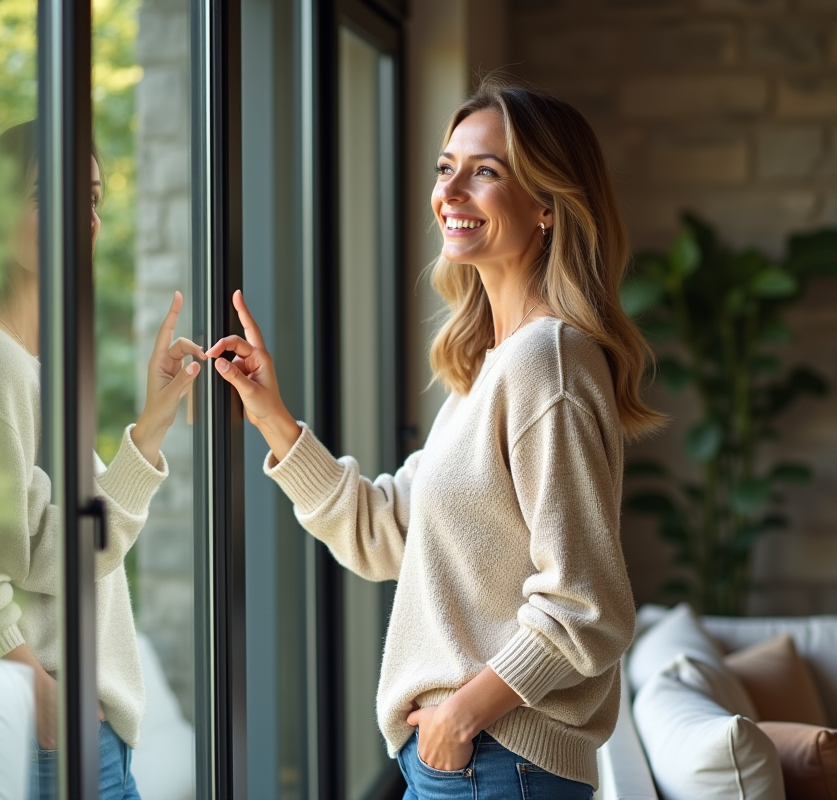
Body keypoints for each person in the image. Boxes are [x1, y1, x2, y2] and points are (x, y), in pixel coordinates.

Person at [203, 79, 664, 799]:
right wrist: (271, 415)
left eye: (486, 171)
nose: (450, 191)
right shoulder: (491, 367)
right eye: (446, 167)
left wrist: (461, 716)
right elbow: (385, 534)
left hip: (499, 759)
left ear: (547, 204)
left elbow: (587, 605)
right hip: (469, 760)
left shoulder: (548, 363)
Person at [0, 122, 201, 800]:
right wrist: (35, 686)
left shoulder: (27, 365)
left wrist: (152, 424)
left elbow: (63, 551)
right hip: (57, 728)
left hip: (87, 733)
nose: (85, 218)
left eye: (93, 198)